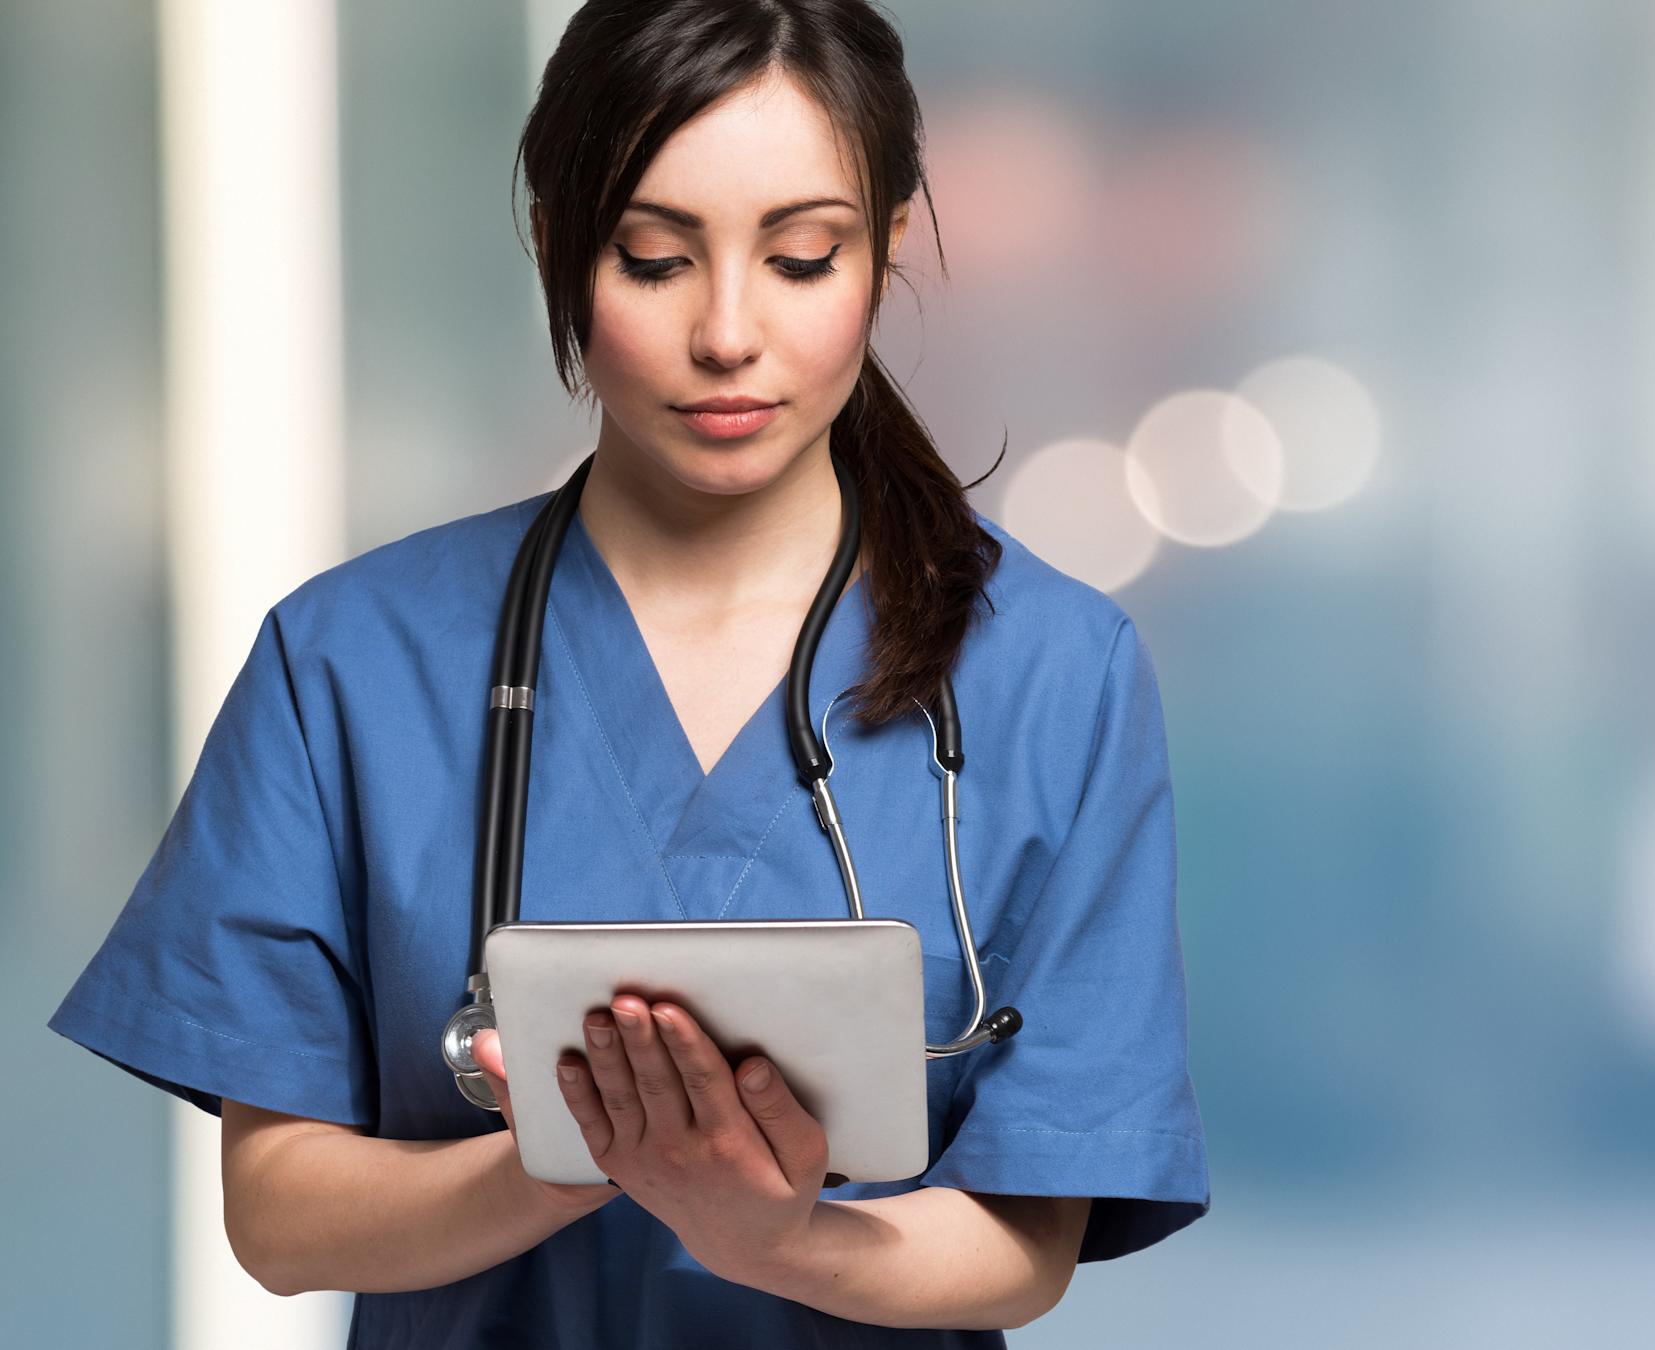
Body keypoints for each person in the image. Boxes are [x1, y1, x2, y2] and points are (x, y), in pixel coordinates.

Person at [44, 1, 1210, 1342]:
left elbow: (1028, 1232)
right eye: (655, 260)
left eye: (803, 257)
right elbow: (279, 1209)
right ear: (558, 243)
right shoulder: (352, 662)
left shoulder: (1053, 671)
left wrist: (777, 1235)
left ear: (887, 247)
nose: (729, 332)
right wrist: (580, 1146)